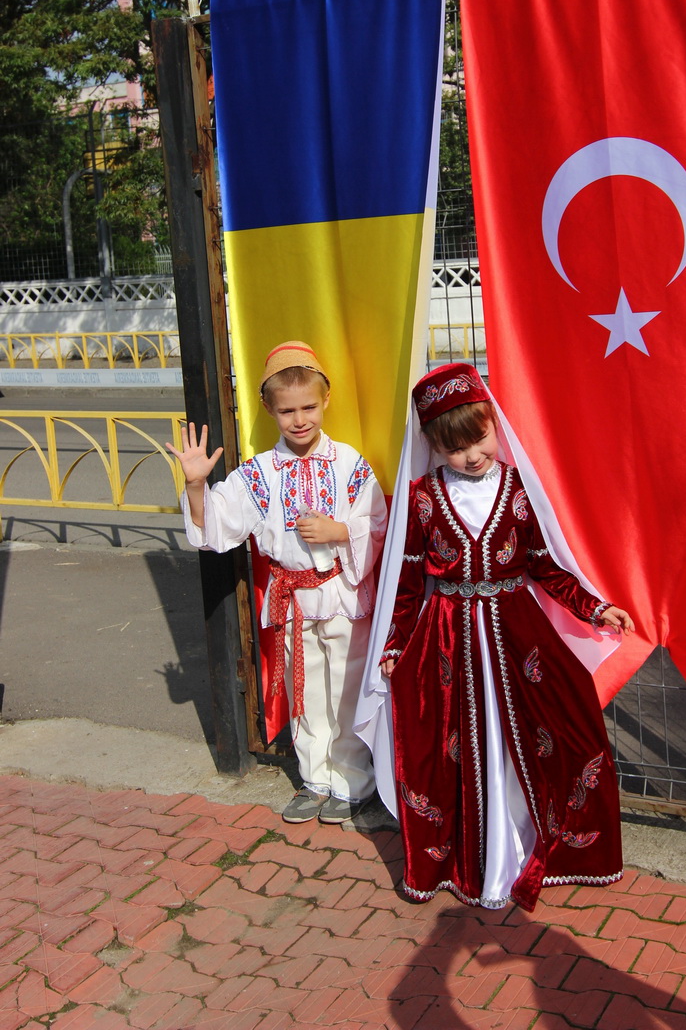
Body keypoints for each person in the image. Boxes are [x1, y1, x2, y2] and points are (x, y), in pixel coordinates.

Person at [360, 361, 633, 912]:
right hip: (448, 641)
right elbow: (410, 582)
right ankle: (472, 858)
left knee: (559, 728)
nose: (472, 454)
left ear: (494, 424)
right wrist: (393, 646)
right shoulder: (422, 499)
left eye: (478, 437)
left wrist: (595, 606)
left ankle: (543, 843)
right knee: (455, 745)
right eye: (455, 446)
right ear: (434, 447)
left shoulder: (516, 490)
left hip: (518, 633)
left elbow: (544, 565)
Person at [167, 340, 387, 825]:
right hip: (292, 601)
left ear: (326, 400)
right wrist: (197, 485)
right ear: (268, 408)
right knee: (304, 690)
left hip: (343, 593)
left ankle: (353, 781)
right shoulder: (259, 473)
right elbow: (215, 530)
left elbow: (376, 522)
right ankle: (316, 778)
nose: (300, 419)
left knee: (345, 688)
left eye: (309, 406)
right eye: (287, 410)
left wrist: (339, 531)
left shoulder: (350, 463)